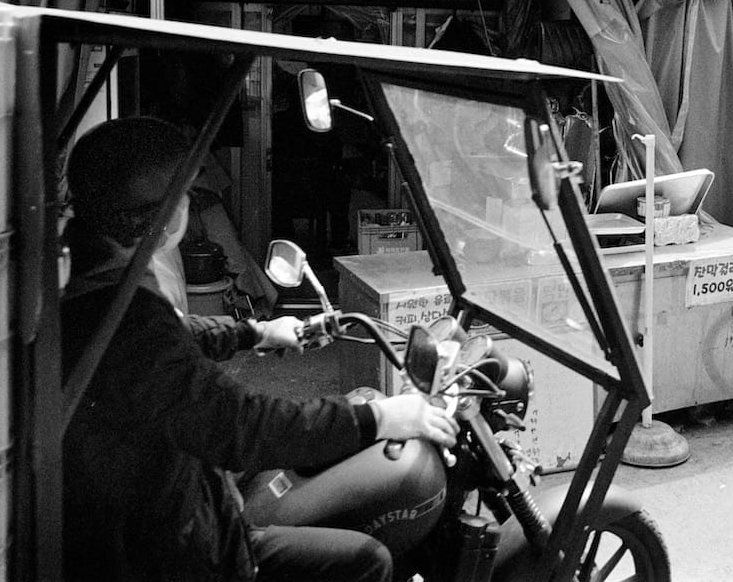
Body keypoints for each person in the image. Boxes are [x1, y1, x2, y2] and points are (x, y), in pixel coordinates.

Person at [60, 116, 457, 582]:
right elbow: (239, 425)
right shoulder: (129, 318)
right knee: (367, 561)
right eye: (184, 195)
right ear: (161, 213)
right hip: (179, 551)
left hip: (159, 503)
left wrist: (256, 332)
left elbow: (177, 335)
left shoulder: (92, 280)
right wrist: (379, 418)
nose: (189, 207)